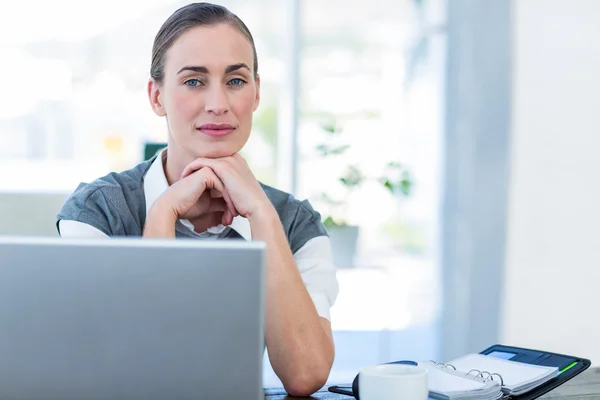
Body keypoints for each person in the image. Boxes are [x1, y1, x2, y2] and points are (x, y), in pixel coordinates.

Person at [56, 2, 338, 397]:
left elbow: (305, 374)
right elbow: (130, 370)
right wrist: (161, 216)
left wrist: (261, 214)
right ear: (157, 97)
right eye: (193, 81)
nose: (218, 103)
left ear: (256, 93)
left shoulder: (294, 222)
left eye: (236, 81)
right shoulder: (97, 212)